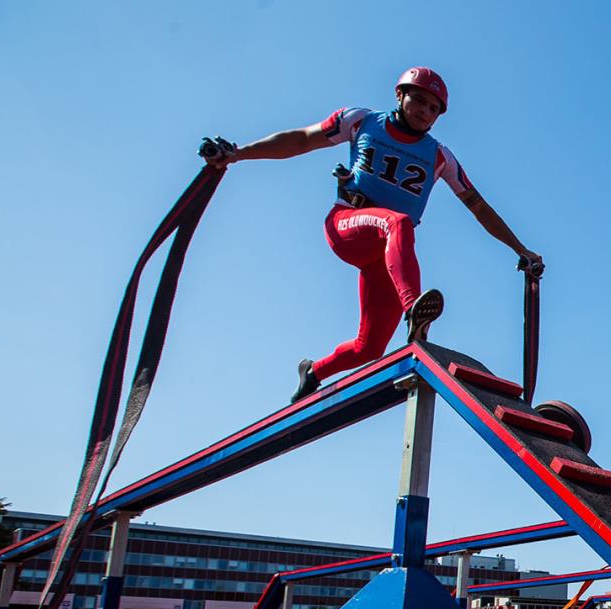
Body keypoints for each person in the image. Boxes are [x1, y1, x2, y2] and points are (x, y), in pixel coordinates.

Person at [207, 68, 545, 403]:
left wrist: (520, 249)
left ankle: (313, 373)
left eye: (433, 109)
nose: (425, 112)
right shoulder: (360, 121)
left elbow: (478, 205)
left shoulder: (440, 156)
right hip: (348, 224)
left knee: (370, 346)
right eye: (419, 101)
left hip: (385, 255)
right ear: (399, 95)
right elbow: (301, 140)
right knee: (398, 222)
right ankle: (414, 310)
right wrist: (236, 154)